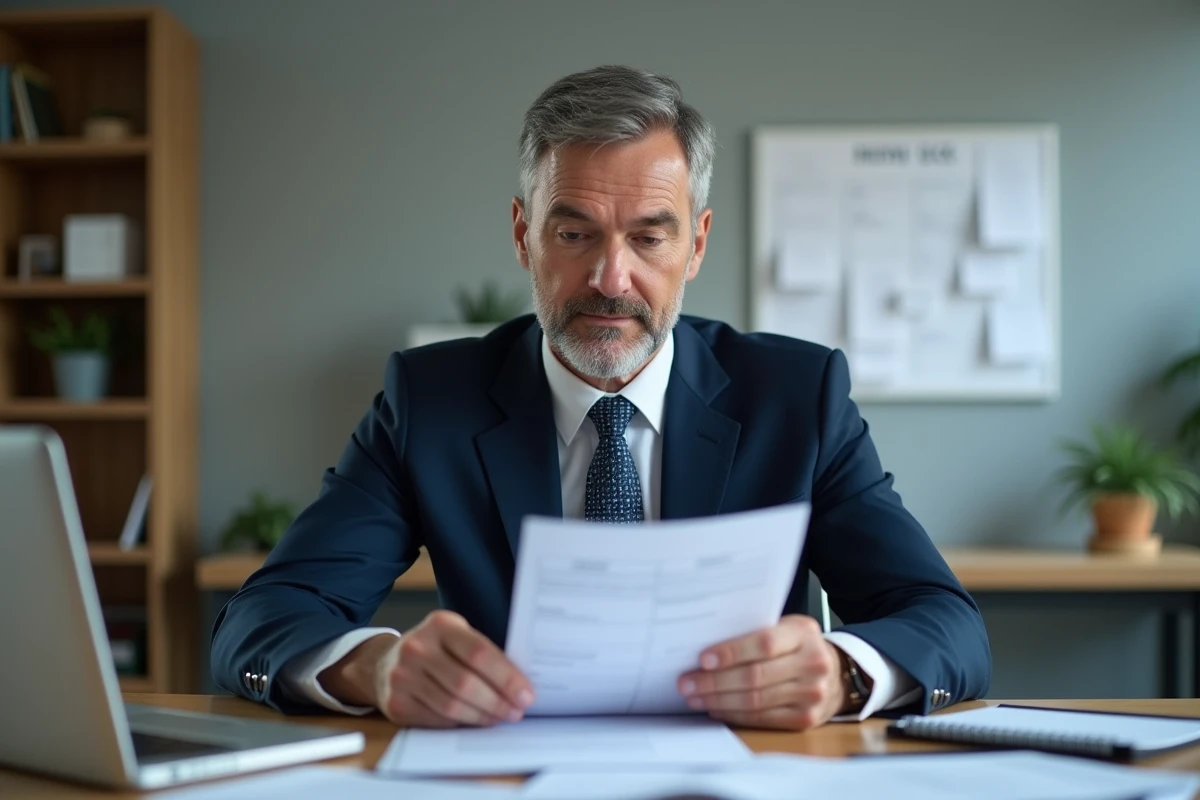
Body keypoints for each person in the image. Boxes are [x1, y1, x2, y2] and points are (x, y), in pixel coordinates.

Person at [211, 65, 990, 731]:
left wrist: (842, 673)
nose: (611, 280)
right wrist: (374, 668)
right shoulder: (429, 401)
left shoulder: (796, 398)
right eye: (574, 233)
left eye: (649, 237)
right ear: (523, 236)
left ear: (696, 244)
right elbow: (260, 619)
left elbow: (947, 623)